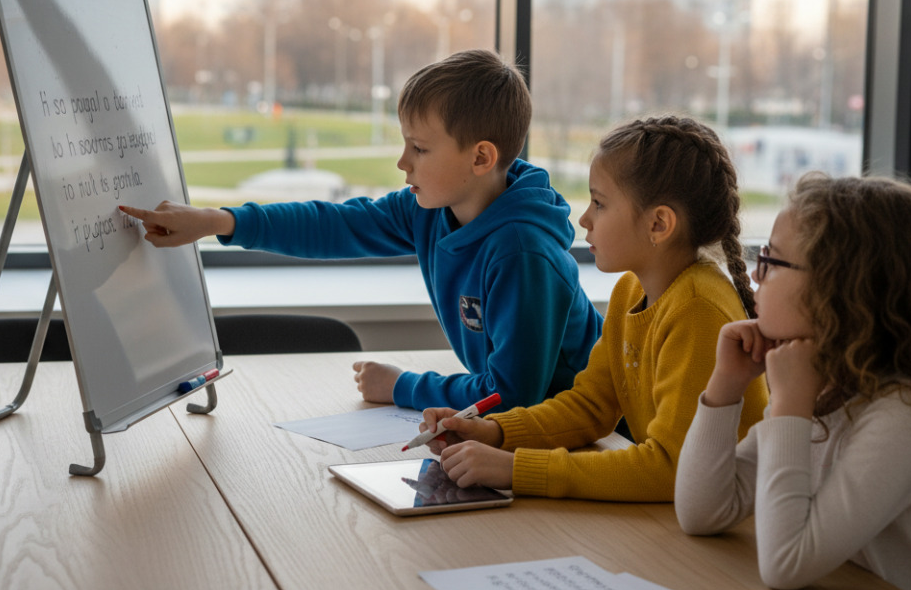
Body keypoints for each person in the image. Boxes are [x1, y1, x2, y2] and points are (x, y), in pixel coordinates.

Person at [120, 49, 602, 412]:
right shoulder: (430, 211)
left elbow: (511, 396)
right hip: (530, 428)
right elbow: (336, 223)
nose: (402, 162)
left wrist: (402, 387)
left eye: (419, 148)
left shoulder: (522, 254)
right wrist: (218, 221)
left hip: (599, 439)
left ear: (480, 158)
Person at [674, 173, 911, 590]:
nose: (755, 276)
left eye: (772, 262)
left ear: (843, 288)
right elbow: (702, 511)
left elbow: (786, 564)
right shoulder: (825, 380)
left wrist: (789, 408)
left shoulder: (908, 412)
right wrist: (725, 386)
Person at [417, 116, 768, 502]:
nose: (584, 218)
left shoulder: (698, 310)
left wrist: (515, 469)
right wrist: (494, 432)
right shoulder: (631, 290)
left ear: (659, 224)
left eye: (599, 203)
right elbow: (589, 406)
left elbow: (671, 468)